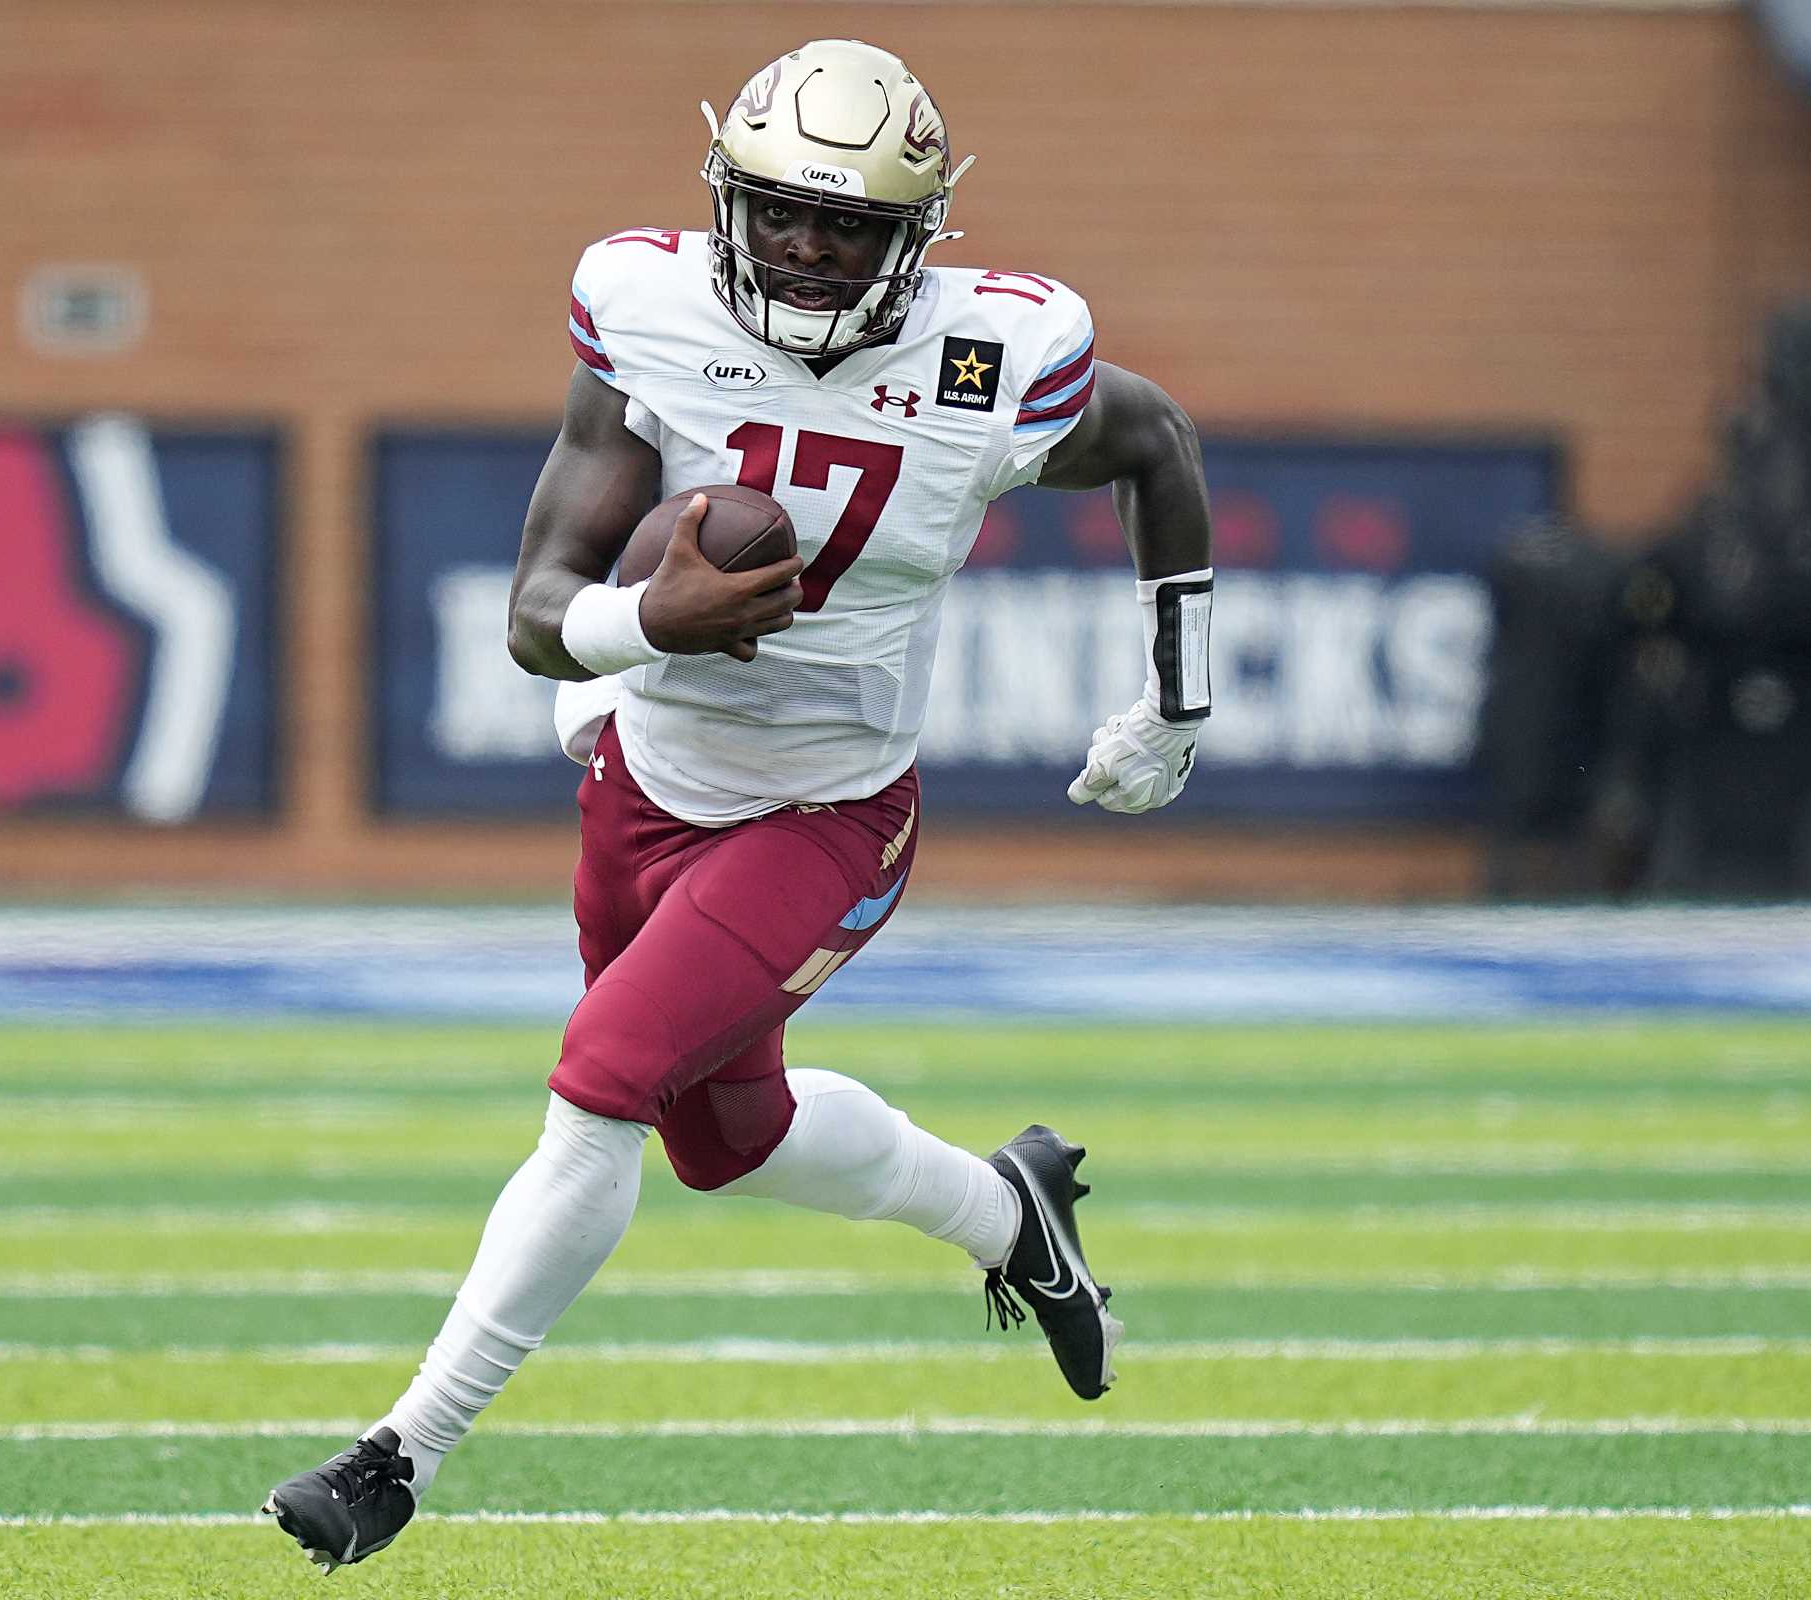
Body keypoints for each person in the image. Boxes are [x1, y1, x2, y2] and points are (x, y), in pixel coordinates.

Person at [267, 37, 1213, 1570]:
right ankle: (1009, 1215)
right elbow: (534, 613)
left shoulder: (994, 356)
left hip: (829, 815)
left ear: (918, 236)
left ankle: (399, 1456)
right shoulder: (648, 312)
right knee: (731, 1140)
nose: (806, 246)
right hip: (643, 785)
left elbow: (1157, 443)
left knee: (600, 1085)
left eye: (845, 223)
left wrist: (1180, 700)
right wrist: (649, 630)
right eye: (778, 212)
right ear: (726, 201)